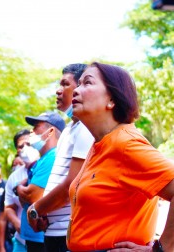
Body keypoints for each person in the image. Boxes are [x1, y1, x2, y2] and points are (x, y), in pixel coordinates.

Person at [67, 62, 174, 251]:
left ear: (112, 100)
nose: (76, 90)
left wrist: (163, 249)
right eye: (78, 84)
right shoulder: (99, 144)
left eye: (87, 83)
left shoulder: (126, 145)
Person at [26, 63, 94, 251]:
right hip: (52, 231)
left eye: (65, 84)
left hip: (69, 232)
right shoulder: (68, 130)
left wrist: (36, 209)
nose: (58, 90)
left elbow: (71, 186)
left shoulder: (87, 128)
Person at [14, 112, 64, 252]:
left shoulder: (52, 157)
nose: (32, 131)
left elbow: (32, 196)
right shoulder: (42, 159)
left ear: (50, 132)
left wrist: (19, 188)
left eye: (36, 127)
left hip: (42, 238)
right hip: (34, 237)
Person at [3, 129, 35, 252]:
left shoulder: (49, 166)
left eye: (28, 144)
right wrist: (17, 224)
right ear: (17, 150)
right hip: (21, 241)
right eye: (20, 146)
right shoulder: (14, 177)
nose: (25, 148)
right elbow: (9, 207)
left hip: (46, 239)